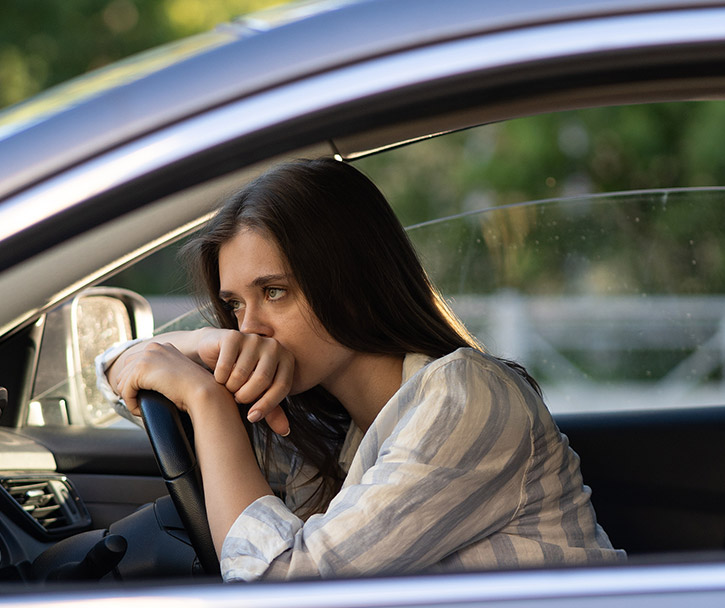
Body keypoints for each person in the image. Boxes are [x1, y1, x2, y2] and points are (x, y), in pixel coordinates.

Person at [96, 157, 624, 582]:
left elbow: (288, 591)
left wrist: (206, 399)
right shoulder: (323, 423)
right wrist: (202, 342)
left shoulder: (465, 396)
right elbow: (127, 380)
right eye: (234, 305)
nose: (247, 328)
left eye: (274, 292)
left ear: (350, 285)